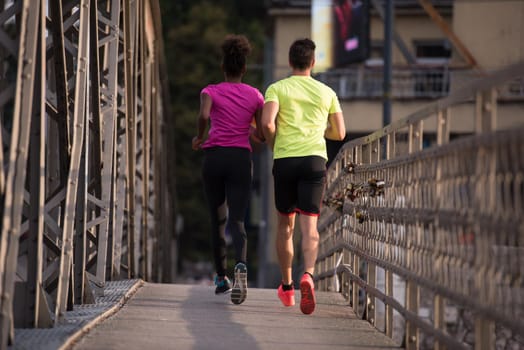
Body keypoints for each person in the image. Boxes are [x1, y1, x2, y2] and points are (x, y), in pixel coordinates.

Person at [261, 38, 346, 315]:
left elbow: (266, 122)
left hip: (285, 159)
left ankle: (287, 287)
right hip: (313, 161)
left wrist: (275, 142)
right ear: (312, 62)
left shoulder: (277, 88)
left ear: (289, 62)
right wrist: (320, 133)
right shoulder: (327, 92)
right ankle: (307, 275)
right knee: (310, 228)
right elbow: (340, 133)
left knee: (285, 226)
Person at [192, 34, 264, 305]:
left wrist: (200, 137)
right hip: (240, 160)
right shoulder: (255, 96)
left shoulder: (210, 91)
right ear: (244, 68)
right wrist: (248, 128)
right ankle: (241, 266)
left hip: (214, 158)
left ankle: (222, 278)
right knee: (238, 220)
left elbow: (203, 116)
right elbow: (258, 136)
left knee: (217, 220)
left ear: (223, 67)